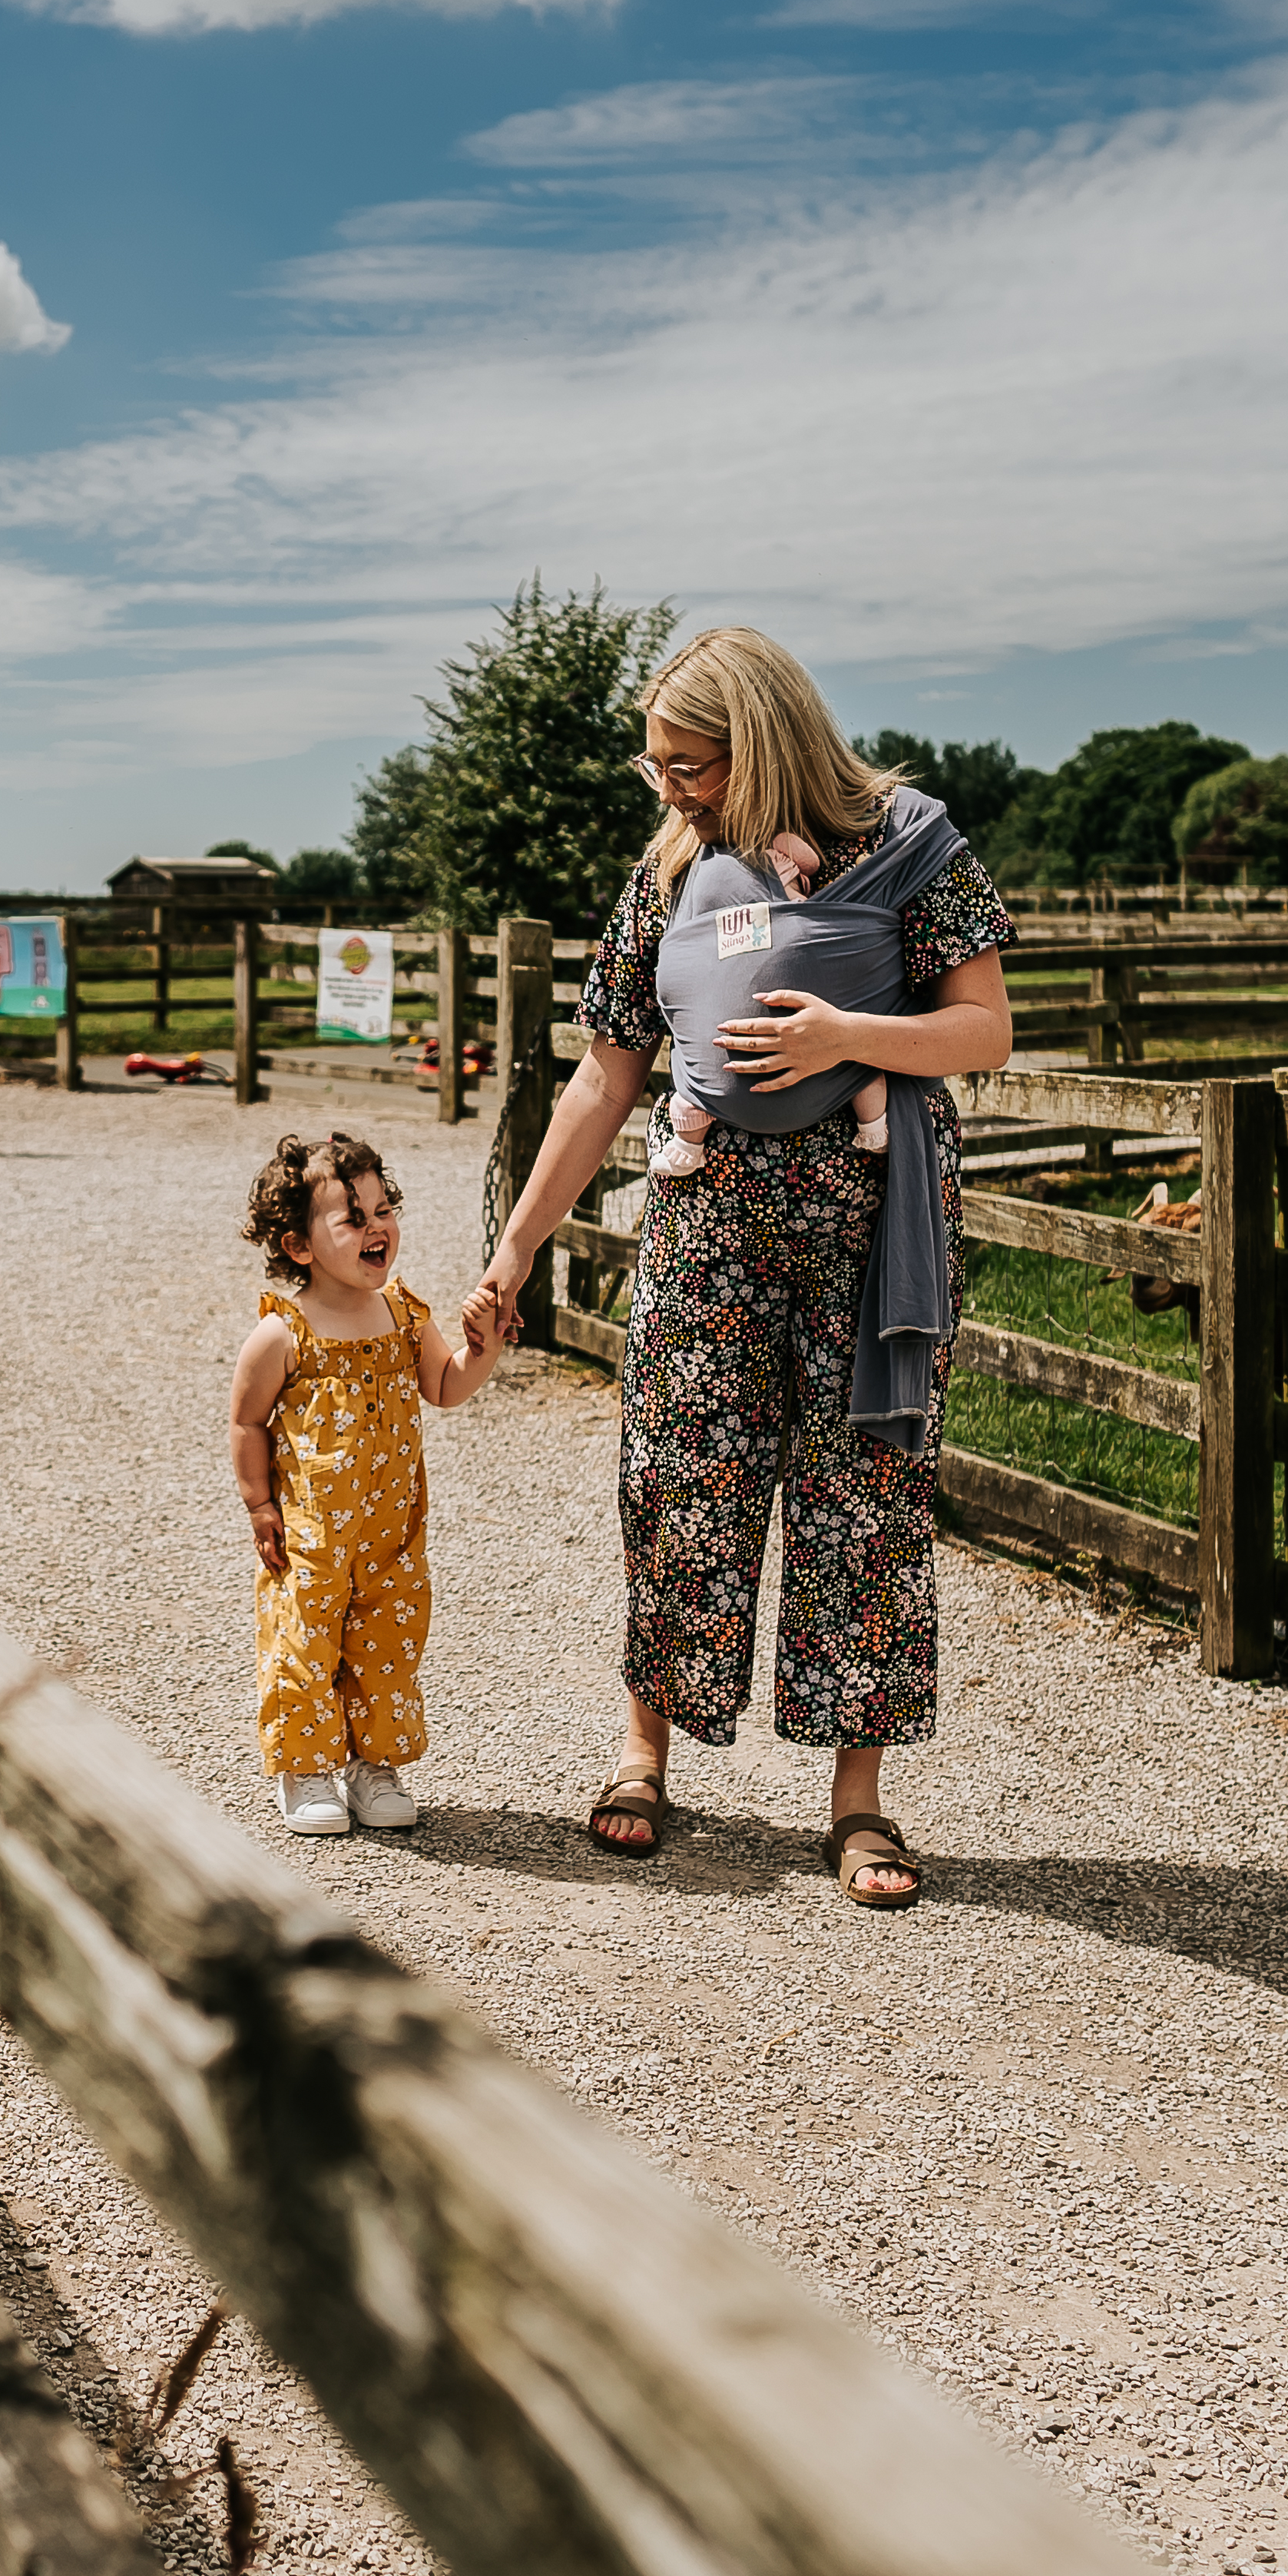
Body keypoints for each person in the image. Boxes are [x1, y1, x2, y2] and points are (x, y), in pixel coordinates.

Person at [472, 627, 1014, 1908]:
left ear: (759, 743)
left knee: (861, 1502)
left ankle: (859, 1802)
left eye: (691, 765)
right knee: (675, 1482)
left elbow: (983, 1027)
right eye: (655, 763)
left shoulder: (912, 845)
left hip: (867, 1238)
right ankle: (641, 1753)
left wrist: (843, 1030)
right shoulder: (663, 877)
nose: (667, 785)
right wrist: (515, 1242)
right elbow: (605, 1076)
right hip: (704, 1231)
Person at [231, 1131, 514, 1835]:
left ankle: (371, 1763)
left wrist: (483, 1350)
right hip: (311, 1528)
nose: (376, 1227)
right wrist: (260, 1503)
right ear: (299, 1245)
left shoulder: (406, 1317)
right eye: (352, 1218)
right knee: (306, 1636)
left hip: (391, 1528)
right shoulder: (284, 1332)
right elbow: (246, 1421)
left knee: (385, 1639)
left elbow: (445, 1389)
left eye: (383, 1209)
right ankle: (305, 1765)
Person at [648, 827, 890, 1175]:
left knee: (863, 1072)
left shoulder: (770, 843)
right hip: (715, 1183)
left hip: (832, 1172)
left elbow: (810, 859)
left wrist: (776, 838)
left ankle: (874, 1130)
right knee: (688, 1098)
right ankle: (687, 1145)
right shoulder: (677, 863)